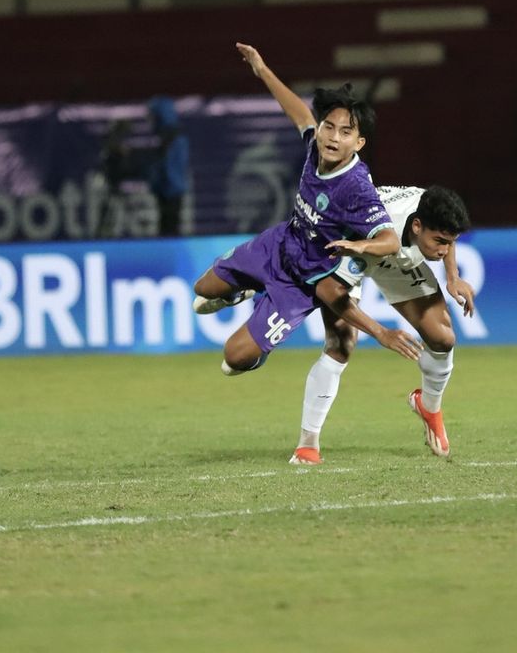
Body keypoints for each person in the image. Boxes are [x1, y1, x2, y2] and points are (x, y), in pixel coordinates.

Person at [192, 43, 423, 380]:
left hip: (301, 283)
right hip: (278, 244)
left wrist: (361, 246)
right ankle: (245, 290)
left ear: (358, 143)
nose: (332, 137)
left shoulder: (356, 188)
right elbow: (298, 112)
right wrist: (262, 70)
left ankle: (256, 349)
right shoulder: (316, 146)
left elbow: (388, 240)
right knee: (203, 290)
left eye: (346, 132)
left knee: (233, 360)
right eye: (328, 127)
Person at [290, 184, 476, 465]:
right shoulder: (367, 229)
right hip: (348, 250)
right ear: (417, 226)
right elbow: (331, 291)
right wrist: (380, 333)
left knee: (443, 337)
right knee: (342, 343)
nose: (444, 249)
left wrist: (452, 276)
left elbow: (447, 234)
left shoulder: (430, 210)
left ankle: (429, 407)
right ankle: (307, 444)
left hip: (392, 252)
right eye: (439, 241)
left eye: (449, 242)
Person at [146, 96, 190, 236]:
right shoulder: (164, 138)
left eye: (152, 116)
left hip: (171, 191)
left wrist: (167, 186)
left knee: (170, 225)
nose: (150, 120)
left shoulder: (172, 138)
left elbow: (172, 166)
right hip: (166, 190)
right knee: (166, 225)